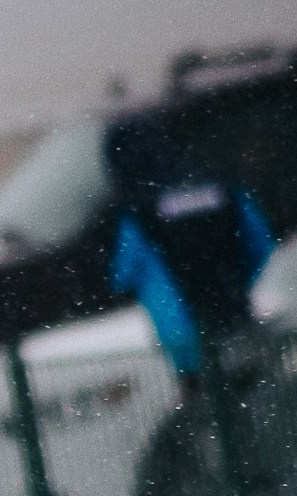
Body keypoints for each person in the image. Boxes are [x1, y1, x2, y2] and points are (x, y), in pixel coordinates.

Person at [103, 117, 277, 378]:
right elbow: (260, 243)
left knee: (214, 410)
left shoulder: (138, 207)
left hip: (187, 341)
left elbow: (123, 274)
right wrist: (233, 282)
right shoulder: (217, 184)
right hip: (237, 317)